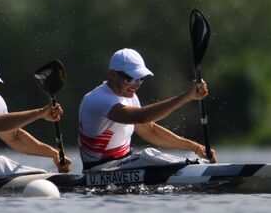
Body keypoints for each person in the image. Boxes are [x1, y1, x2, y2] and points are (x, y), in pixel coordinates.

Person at [78, 48, 214, 168]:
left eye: (140, 79)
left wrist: (195, 147)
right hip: (99, 169)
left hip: (122, 164)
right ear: (113, 75)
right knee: (149, 154)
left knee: (149, 155)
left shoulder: (131, 97)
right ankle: (193, 168)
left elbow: (150, 131)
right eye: (131, 79)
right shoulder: (98, 99)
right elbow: (141, 117)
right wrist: (186, 96)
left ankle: (194, 166)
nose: (136, 85)